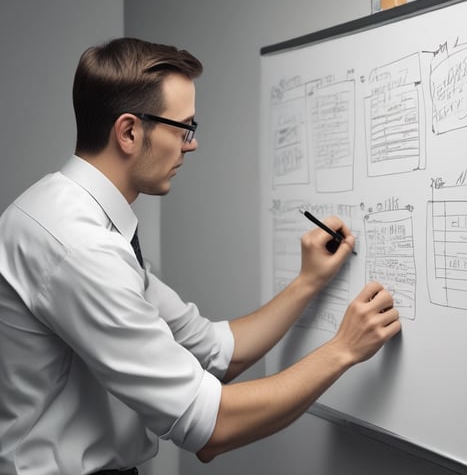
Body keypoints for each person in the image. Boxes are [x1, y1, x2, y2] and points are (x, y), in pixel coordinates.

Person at [0, 37, 401, 475]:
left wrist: (308, 282)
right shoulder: (76, 246)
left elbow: (213, 352)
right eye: (183, 128)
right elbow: (211, 428)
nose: (191, 145)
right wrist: (342, 349)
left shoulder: (88, 222)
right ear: (130, 131)